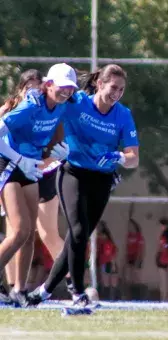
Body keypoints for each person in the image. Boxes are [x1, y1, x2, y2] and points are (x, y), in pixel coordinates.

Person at [28, 64, 139, 307]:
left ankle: (44, 290)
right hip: (73, 172)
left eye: (121, 89)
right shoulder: (77, 102)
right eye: (113, 87)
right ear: (100, 83)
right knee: (78, 233)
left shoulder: (123, 115)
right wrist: (33, 97)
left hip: (102, 180)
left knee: (77, 239)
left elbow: (134, 158)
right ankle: (78, 293)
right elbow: (54, 98)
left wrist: (119, 157)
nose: (117, 93)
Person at [0, 63, 77, 306]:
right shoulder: (32, 104)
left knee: (29, 234)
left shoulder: (64, 107)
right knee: (20, 229)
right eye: (61, 87)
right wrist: (19, 159)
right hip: (10, 165)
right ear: (49, 84)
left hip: (31, 168)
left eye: (70, 88)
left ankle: (19, 291)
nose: (66, 92)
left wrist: (65, 151)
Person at [96, 220, 119, 300]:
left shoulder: (107, 243)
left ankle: (109, 298)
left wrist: (113, 265)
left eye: (101, 235)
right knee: (105, 282)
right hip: (103, 263)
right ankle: (108, 297)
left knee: (108, 282)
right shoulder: (101, 242)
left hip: (106, 263)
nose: (100, 236)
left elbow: (110, 255)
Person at [124, 218, 145, 300]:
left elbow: (141, 249)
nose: (130, 228)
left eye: (131, 226)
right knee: (130, 277)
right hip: (130, 258)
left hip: (137, 259)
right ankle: (130, 295)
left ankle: (138, 296)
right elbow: (127, 247)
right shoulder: (128, 236)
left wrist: (138, 260)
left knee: (136, 278)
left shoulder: (139, 237)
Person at [156, 218, 168, 301]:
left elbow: (163, 246)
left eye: (161, 225)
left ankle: (164, 299)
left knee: (163, 281)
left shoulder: (164, 236)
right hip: (167, 258)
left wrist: (163, 248)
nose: (160, 227)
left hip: (163, 258)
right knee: (167, 280)